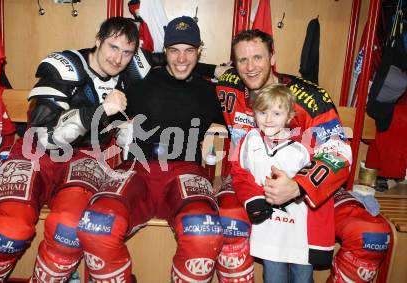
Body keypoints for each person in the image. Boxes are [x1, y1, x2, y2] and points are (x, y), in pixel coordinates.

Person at [215, 29, 391, 283]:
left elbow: (338, 153)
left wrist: (298, 186)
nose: (250, 67)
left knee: (371, 235)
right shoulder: (229, 82)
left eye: (258, 58)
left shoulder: (310, 98)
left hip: (307, 188)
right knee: (230, 221)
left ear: (273, 57)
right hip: (249, 182)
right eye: (242, 60)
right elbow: (194, 65)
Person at [0, 17, 138, 283]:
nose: (118, 58)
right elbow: (44, 136)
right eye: (113, 47)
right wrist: (97, 112)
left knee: (69, 229)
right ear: (98, 40)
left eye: (127, 52)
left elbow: (173, 63)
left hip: (87, 157)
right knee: (9, 229)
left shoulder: (129, 78)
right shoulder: (65, 66)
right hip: (36, 151)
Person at [77, 16, 225, 283]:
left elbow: (257, 108)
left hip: (185, 172)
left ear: (198, 52)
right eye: (174, 50)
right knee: (96, 225)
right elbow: (97, 104)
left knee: (203, 231)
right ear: (164, 52)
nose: (181, 58)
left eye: (189, 51)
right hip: (138, 172)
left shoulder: (211, 93)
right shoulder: (138, 84)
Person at [231, 83, 326, 283]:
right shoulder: (249, 141)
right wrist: (254, 199)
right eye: (262, 112)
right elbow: (239, 173)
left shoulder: (303, 147)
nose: (268, 119)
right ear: (254, 114)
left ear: (290, 116)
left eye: (276, 113)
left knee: (303, 277)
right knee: (274, 277)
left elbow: (317, 185)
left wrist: (321, 237)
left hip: (299, 230)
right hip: (267, 227)